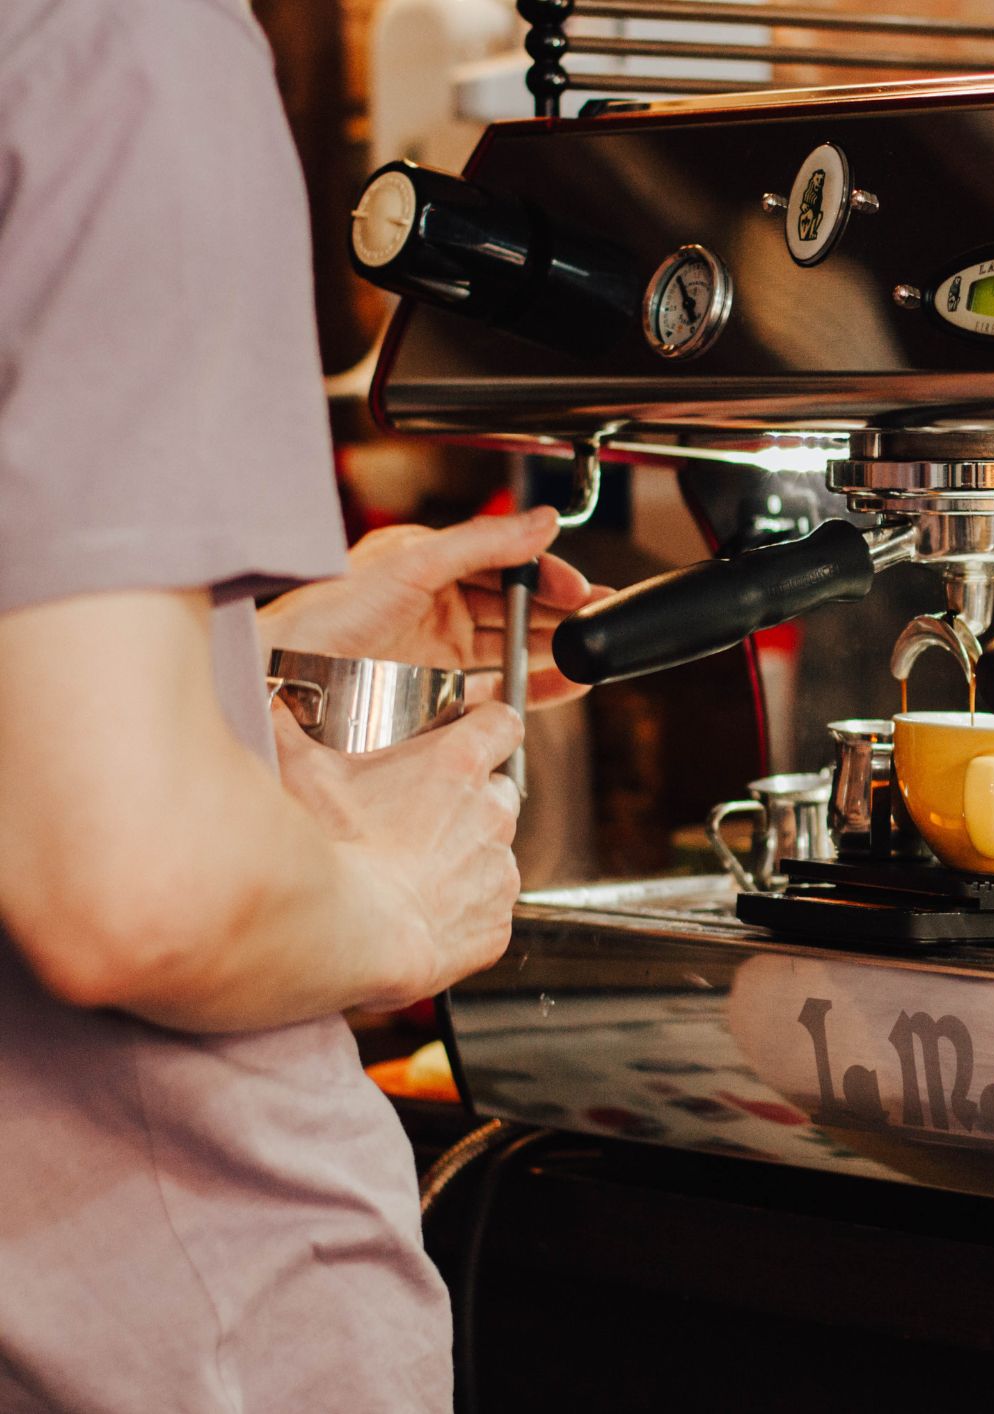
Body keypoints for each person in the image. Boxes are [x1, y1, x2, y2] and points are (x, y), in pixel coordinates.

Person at [0, 0, 599, 1407]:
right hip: (155, 1349)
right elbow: (131, 892)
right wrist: (395, 904)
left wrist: (214, 656)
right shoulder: (122, 45)